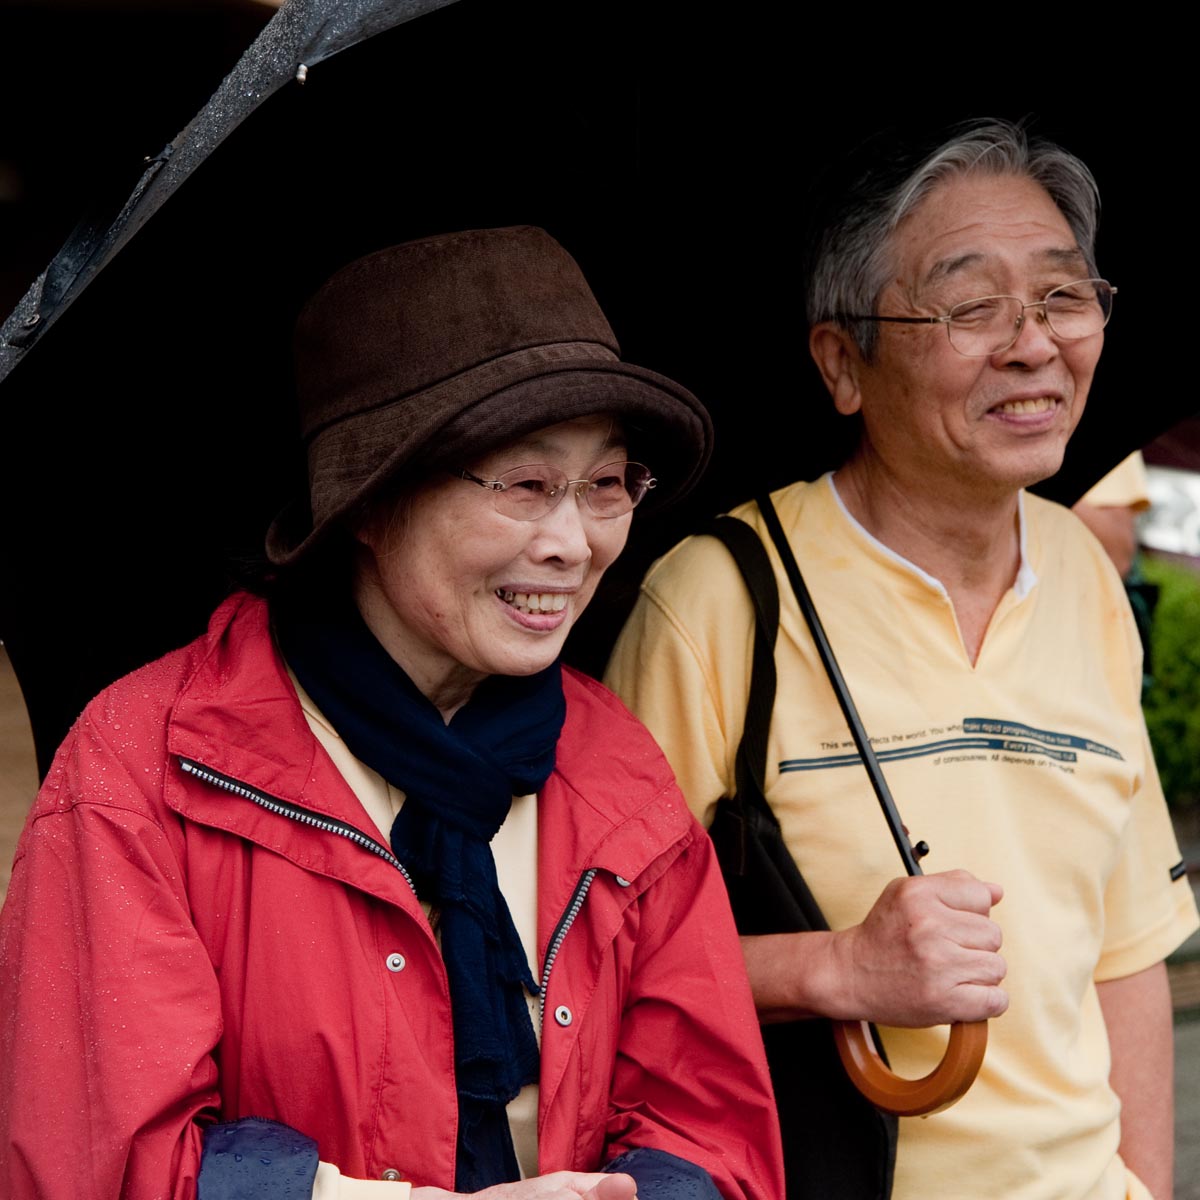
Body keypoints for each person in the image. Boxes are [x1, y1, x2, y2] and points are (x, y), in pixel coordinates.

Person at [0, 227, 783, 1200]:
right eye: (528, 485)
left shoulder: (613, 764)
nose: (573, 543)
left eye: (606, 485)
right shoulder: (143, 770)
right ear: (366, 500)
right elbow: (95, 1162)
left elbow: (713, 1134)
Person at [607, 122, 1199, 1200]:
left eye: (1064, 297)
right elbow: (588, 963)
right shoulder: (721, 597)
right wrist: (836, 970)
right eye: (972, 306)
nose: (1033, 346)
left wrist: (1145, 1188)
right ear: (842, 362)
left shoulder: (1080, 570)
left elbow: (1127, 951)